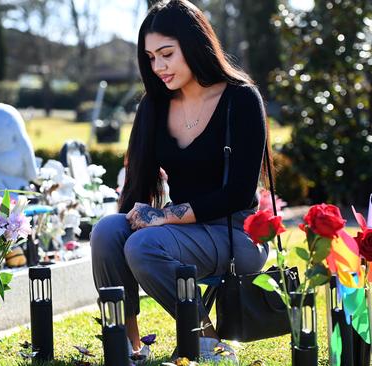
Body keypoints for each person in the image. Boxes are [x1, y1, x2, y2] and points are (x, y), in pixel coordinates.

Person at [90, 0, 272, 363]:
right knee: (108, 231)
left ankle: (209, 342)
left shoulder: (240, 99)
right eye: (151, 57)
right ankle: (127, 346)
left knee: (144, 246)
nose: (158, 67)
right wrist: (132, 220)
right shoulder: (154, 106)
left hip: (235, 231)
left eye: (167, 54)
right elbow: (139, 189)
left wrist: (166, 217)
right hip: (185, 233)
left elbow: (237, 193)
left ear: (194, 44)